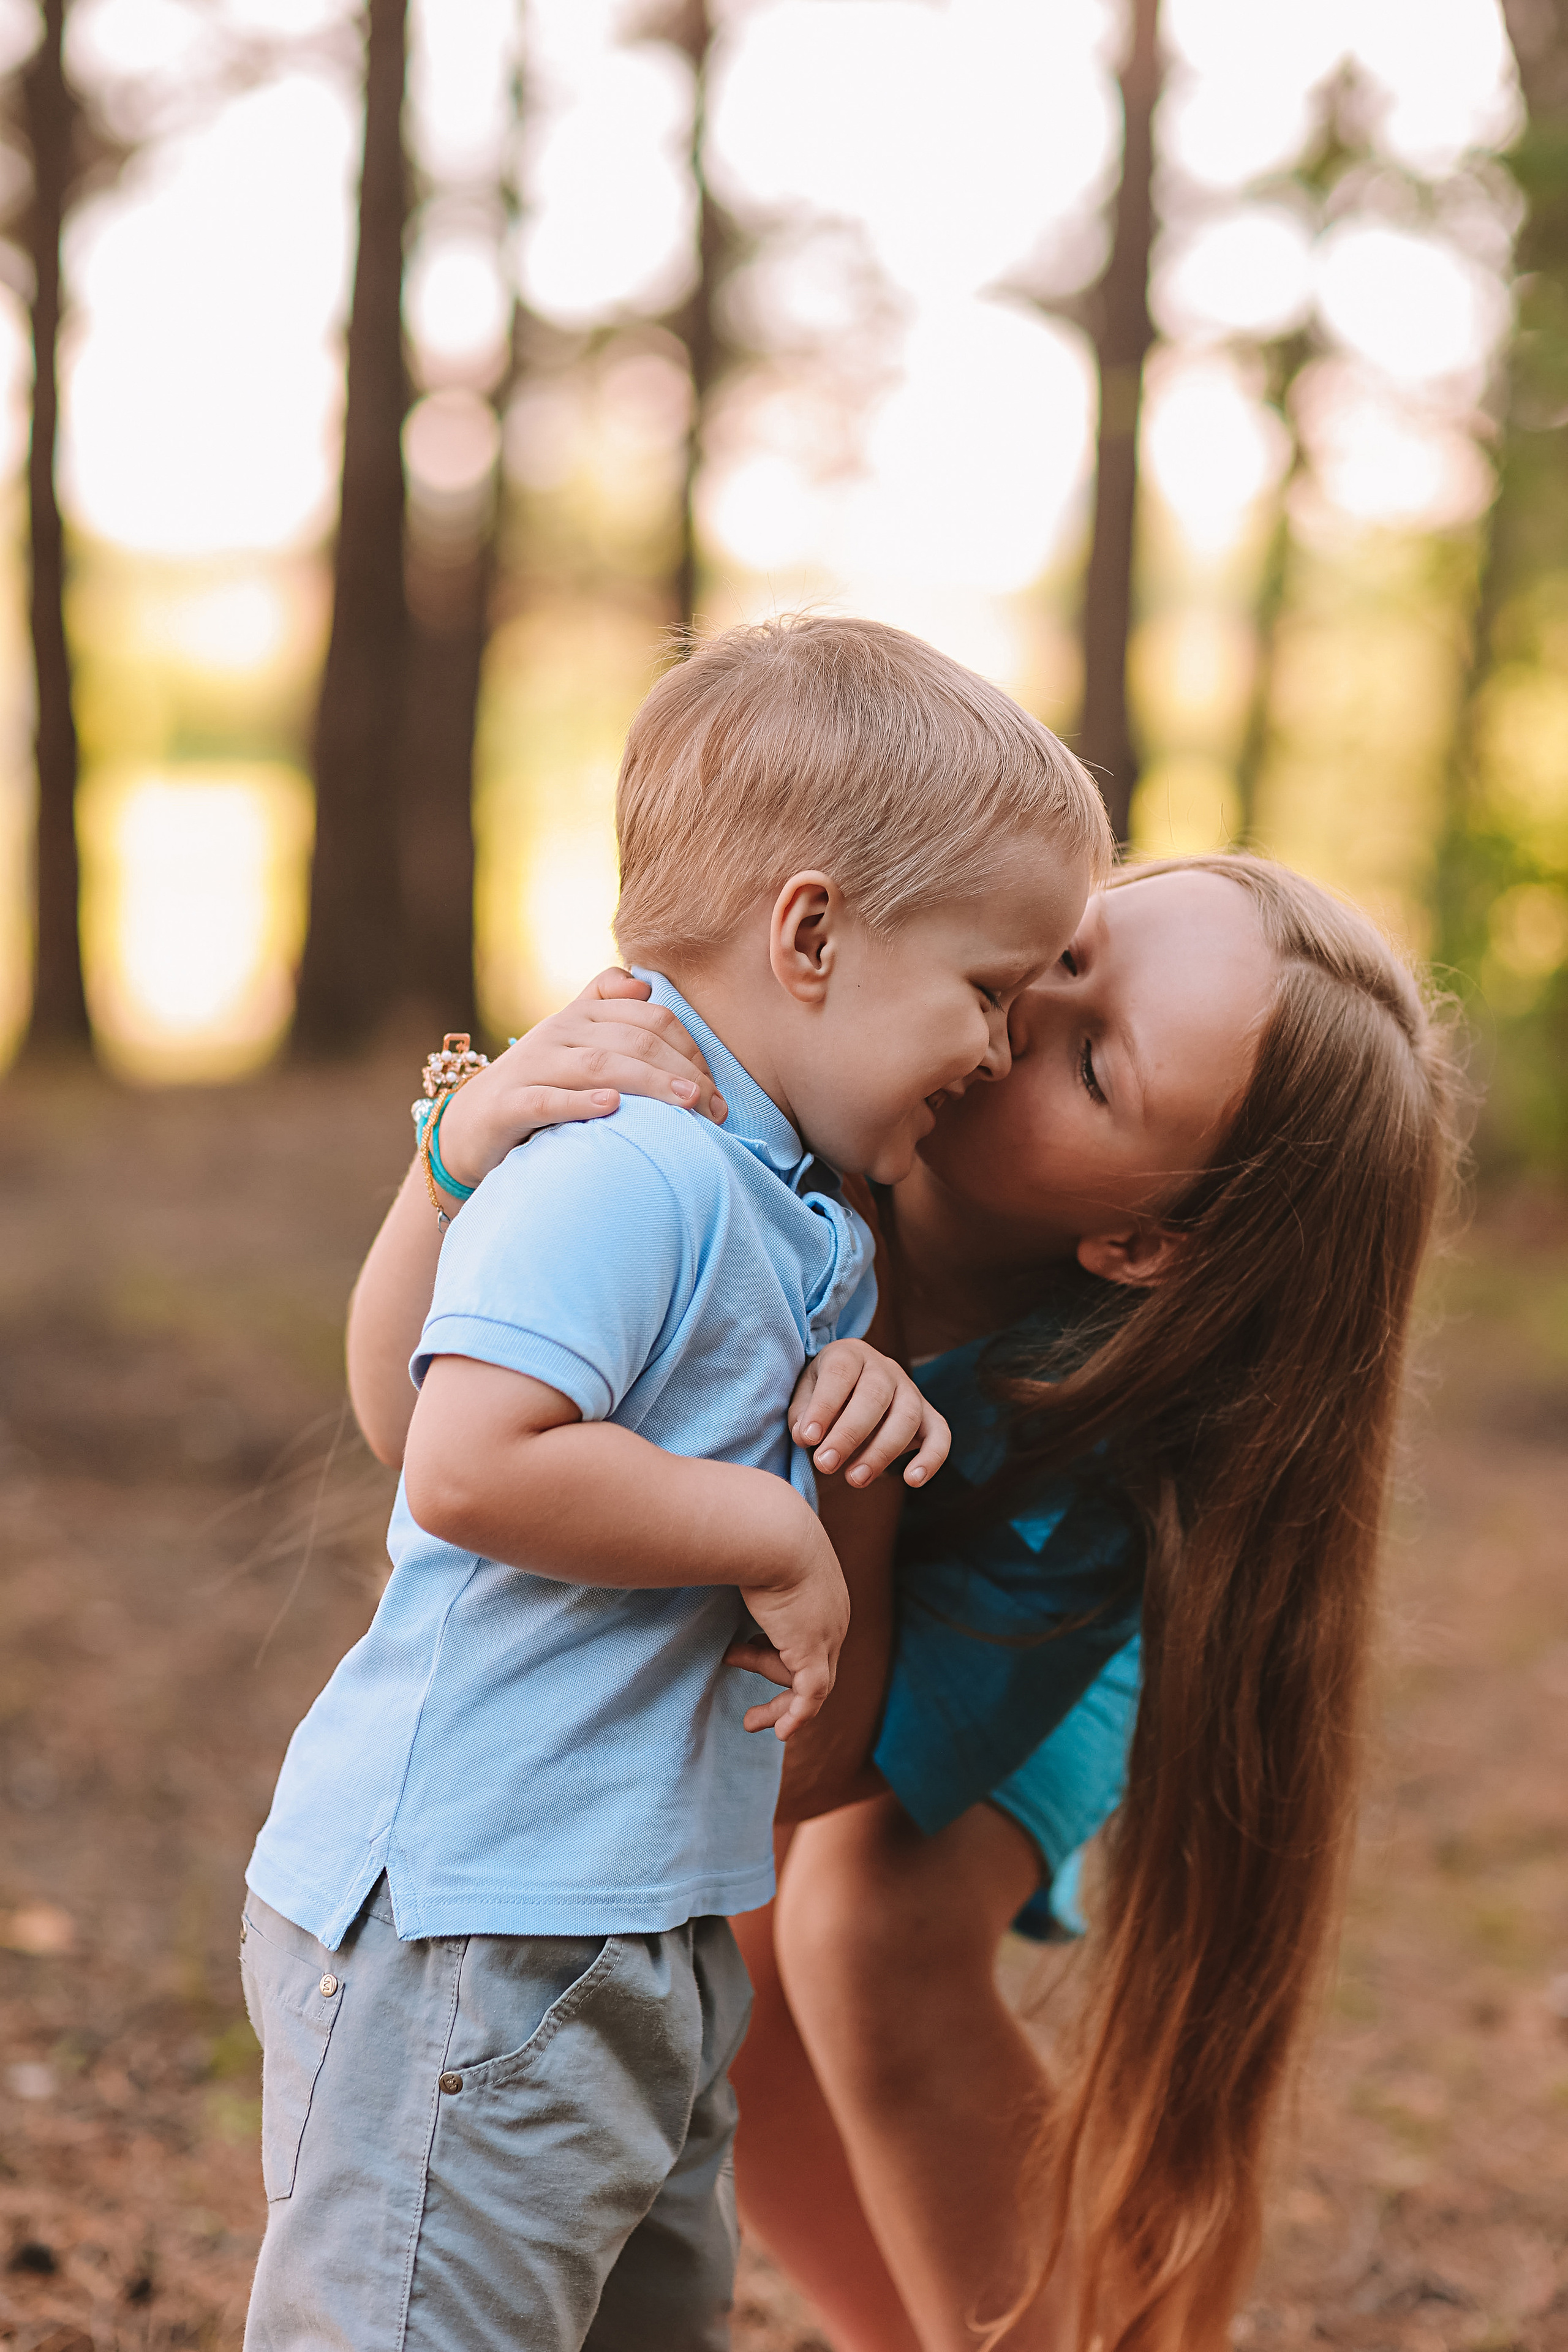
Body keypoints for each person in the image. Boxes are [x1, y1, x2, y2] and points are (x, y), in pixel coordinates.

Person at [349, 850, 1461, 2351]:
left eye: (1089, 1064)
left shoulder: (1100, 1482)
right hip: (791, 1602)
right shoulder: (791, 1083)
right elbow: (433, 1427)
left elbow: (808, 1770)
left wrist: (852, 1440)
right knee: (718, 1965)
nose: (1017, 1016)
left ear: (1138, 1241)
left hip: (1023, 1600)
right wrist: (463, 1147)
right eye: (1068, 950)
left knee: (869, 1925)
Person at [239, 614, 1112, 2352]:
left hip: (640, 1913)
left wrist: (843, 1405)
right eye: (987, 991)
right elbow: (463, 1456)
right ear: (811, 935)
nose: (998, 1049)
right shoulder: (632, 1168)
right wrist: (765, 1521)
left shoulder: (788, 1215)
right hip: (479, 1921)